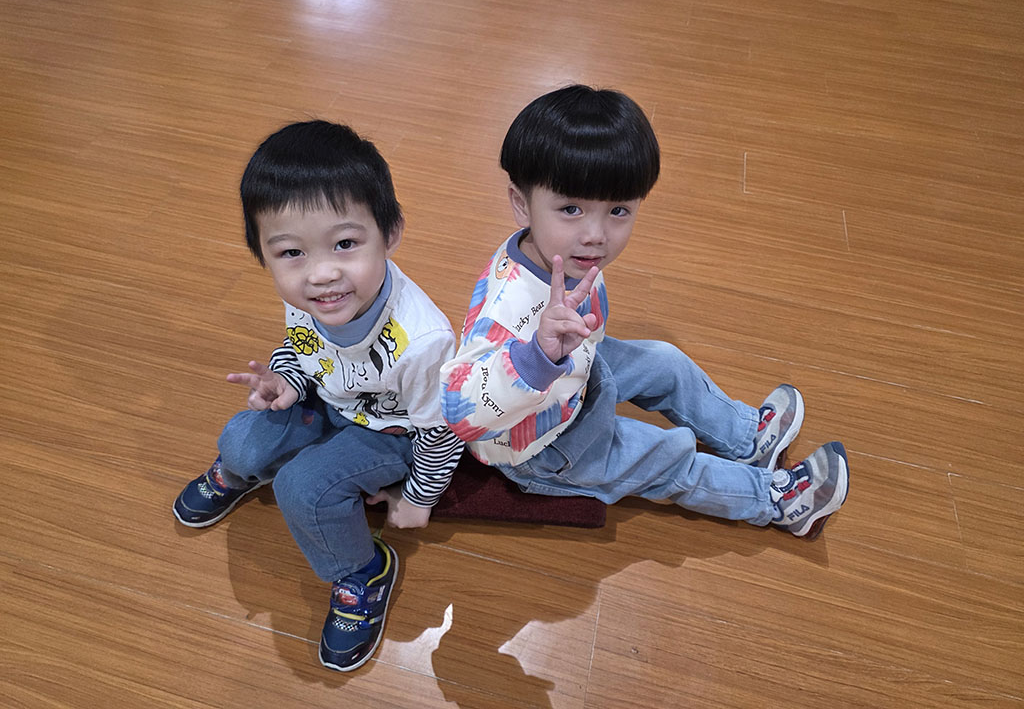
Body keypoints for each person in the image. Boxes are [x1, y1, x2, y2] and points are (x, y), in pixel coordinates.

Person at [440, 85, 849, 540]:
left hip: (573, 371)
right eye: (571, 209)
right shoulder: (508, 307)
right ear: (522, 204)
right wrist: (536, 356)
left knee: (664, 362)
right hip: (540, 446)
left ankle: (747, 437)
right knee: (664, 456)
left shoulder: (558, 252)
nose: (596, 234)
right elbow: (458, 408)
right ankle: (775, 500)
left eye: (618, 210)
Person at [173, 120, 462, 672]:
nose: (322, 274)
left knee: (302, 488)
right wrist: (286, 381)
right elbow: (302, 348)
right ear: (263, 253)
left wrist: (419, 499)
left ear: (390, 232)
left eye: (346, 244)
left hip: (392, 431)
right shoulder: (307, 295)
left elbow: (442, 428)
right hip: (328, 398)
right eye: (291, 252)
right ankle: (241, 473)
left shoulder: (424, 340)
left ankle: (361, 571)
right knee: (240, 442)